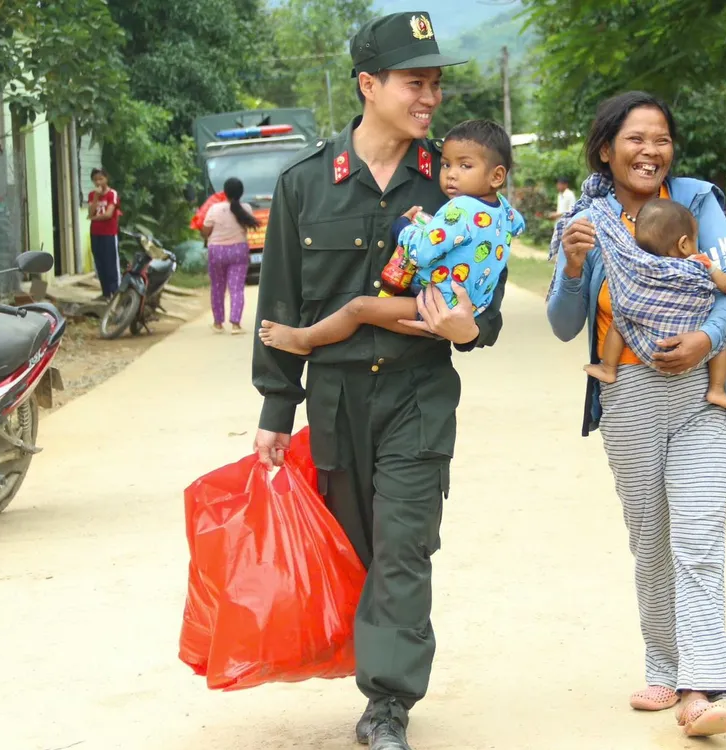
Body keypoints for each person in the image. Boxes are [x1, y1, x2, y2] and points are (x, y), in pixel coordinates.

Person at [250, 12, 504, 750]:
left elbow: (480, 304)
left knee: (403, 545)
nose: (429, 97)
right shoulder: (305, 183)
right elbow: (283, 302)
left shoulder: (450, 184)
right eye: (413, 82)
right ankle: (367, 663)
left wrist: (470, 329)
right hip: (334, 400)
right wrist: (275, 406)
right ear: (370, 84)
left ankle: (388, 703)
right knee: (358, 545)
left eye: (435, 83)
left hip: (417, 394)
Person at [547, 91, 726, 739]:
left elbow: (725, 284)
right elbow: (562, 322)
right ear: (606, 149)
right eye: (635, 139)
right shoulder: (589, 219)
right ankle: (663, 666)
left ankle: (700, 685)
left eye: (661, 139)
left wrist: (704, 342)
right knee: (650, 537)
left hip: (699, 395)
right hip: (629, 393)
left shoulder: (698, 202)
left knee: (697, 537)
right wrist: (574, 266)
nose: (650, 152)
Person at [258, 119, 524, 355]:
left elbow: (422, 250)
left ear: (497, 175)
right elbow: (513, 229)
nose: (451, 174)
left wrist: (402, 227)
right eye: (445, 164)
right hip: (469, 308)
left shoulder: (460, 208)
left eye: (465, 166)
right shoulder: (505, 211)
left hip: (438, 305)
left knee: (360, 309)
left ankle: (304, 339)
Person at [584, 198, 726, 411]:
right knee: (720, 342)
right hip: (693, 346)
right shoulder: (700, 262)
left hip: (650, 349)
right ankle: (716, 389)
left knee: (619, 321)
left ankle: (608, 368)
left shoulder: (640, 265)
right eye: (695, 239)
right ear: (683, 244)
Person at [201, 177, 260, 334]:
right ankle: (235, 325)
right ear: (241, 193)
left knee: (217, 287)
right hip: (238, 251)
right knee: (237, 288)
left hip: (217, 251)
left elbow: (205, 231)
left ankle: (218, 323)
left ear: (224, 192)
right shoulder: (245, 208)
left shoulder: (214, 209)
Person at [87, 168, 121, 300]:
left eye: (101, 179)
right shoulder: (92, 195)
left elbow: (108, 214)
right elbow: (90, 212)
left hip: (109, 233)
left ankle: (115, 292)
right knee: (99, 262)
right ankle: (105, 293)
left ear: (106, 179)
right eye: (95, 180)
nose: (98, 182)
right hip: (95, 233)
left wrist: (94, 218)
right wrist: (96, 197)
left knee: (110, 262)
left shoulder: (112, 194)